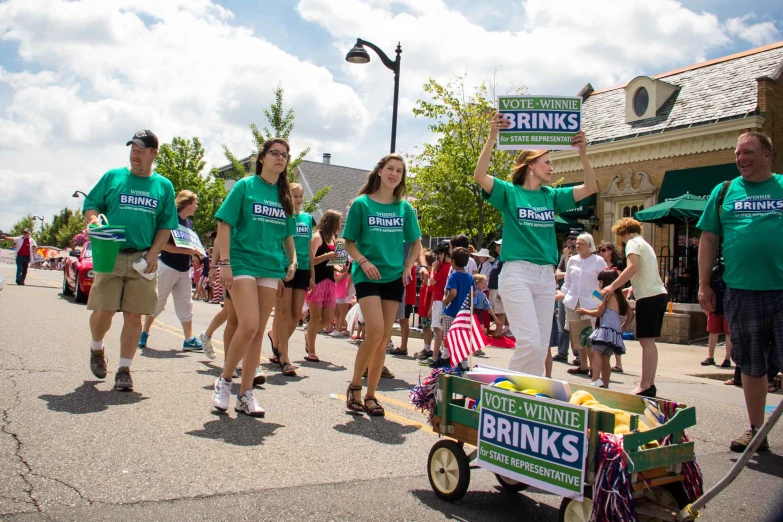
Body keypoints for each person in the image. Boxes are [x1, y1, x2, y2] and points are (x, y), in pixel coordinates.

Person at [474, 113, 598, 376]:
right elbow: (480, 174)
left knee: (541, 348)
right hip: (517, 273)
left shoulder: (551, 196)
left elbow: (591, 187)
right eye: (547, 162)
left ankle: (529, 398)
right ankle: (507, 396)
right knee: (529, 342)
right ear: (531, 165)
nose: (552, 167)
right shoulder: (510, 192)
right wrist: (492, 136)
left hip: (545, 277)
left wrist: (583, 153)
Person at [697, 131, 783, 452]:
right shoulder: (724, 192)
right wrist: (704, 284)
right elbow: (708, 239)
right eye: (737, 153)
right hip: (741, 292)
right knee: (750, 364)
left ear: (767, 155)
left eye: (748, 152)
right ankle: (756, 430)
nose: (741, 158)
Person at [83, 130, 178, 391]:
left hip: (142, 257)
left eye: (140, 149)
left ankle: (124, 369)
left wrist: (153, 253)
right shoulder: (113, 177)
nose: (134, 154)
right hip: (111, 253)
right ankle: (97, 348)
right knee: (104, 310)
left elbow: (166, 225)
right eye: (132, 148)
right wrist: (93, 220)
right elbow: (91, 205)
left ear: (153, 153)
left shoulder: (163, 186)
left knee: (134, 316)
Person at [211, 138, 297, 417]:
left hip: (270, 267)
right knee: (247, 324)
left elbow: (287, 235)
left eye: (284, 155)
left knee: (259, 330)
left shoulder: (284, 195)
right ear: (262, 158)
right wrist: (224, 263)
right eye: (274, 153)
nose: (280, 158)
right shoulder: (245, 186)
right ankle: (224, 381)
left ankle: (246, 395)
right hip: (242, 262)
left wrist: (292, 260)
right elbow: (224, 225)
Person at [342, 153, 422, 416]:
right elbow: (349, 242)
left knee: (384, 338)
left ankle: (371, 395)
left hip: (393, 277)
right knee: (375, 331)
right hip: (367, 275)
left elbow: (416, 244)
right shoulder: (362, 205)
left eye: (399, 171)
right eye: (390, 168)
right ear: (379, 171)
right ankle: (354, 386)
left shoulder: (404, 208)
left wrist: (409, 265)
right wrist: (363, 261)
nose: (394, 174)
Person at [602, 217, 668, 397]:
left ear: (624, 233)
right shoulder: (645, 244)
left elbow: (632, 267)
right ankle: (649, 384)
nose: (621, 241)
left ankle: (645, 384)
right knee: (649, 342)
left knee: (646, 341)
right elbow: (645, 271)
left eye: (620, 237)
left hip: (649, 297)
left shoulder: (631, 243)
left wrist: (612, 286)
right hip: (659, 294)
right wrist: (632, 286)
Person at [139, 190, 203, 351]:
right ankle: (144, 333)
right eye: (195, 203)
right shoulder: (170, 220)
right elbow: (164, 246)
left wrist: (194, 255)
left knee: (186, 304)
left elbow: (187, 245)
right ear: (187, 204)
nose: (196, 206)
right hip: (167, 267)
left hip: (183, 270)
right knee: (158, 301)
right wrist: (187, 252)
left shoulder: (189, 223)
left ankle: (188, 339)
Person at [268, 183, 314, 376]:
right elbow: (276, 244)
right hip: (284, 267)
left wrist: (312, 274)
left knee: (297, 314)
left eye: (300, 196)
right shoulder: (282, 217)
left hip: (302, 268)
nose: (297, 200)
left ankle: (276, 340)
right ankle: (285, 358)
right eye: (294, 196)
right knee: (284, 312)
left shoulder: (307, 219)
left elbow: (310, 249)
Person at [577, 270, 634, 389]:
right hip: (615, 331)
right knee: (606, 356)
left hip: (605, 328)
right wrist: (624, 326)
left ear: (606, 282)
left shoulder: (605, 293)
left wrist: (584, 311)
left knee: (596, 352)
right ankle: (605, 384)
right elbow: (631, 314)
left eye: (600, 282)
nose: (599, 285)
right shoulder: (620, 296)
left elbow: (599, 312)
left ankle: (595, 381)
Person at [561, 233, 607, 376]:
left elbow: (603, 283)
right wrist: (562, 295)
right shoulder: (572, 260)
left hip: (590, 303)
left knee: (589, 336)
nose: (577, 245)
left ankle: (594, 368)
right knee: (576, 335)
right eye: (577, 243)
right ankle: (583, 365)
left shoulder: (598, 261)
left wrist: (599, 302)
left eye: (581, 243)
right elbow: (567, 281)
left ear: (589, 245)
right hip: (573, 301)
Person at [304, 209, 341, 362]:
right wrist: (327, 256)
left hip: (330, 281)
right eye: (338, 222)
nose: (340, 226)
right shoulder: (317, 237)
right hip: (317, 281)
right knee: (316, 317)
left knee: (327, 318)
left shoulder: (333, 238)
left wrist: (339, 266)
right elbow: (310, 260)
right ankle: (311, 350)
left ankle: (309, 335)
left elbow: (330, 262)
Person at [437, 247, 477, 369]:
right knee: (462, 338)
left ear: (453, 262)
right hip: (465, 313)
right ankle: (464, 363)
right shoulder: (470, 277)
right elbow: (474, 293)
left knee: (449, 336)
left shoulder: (454, 277)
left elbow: (453, 292)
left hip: (452, 311)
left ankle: (448, 359)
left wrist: (445, 300)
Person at [596, 240, 625, 372]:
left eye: (604, 250)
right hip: (601, 294)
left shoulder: (617, 265)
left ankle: (618, 363)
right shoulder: (600, 264)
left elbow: (619, 281)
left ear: (611, 251)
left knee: (612, 334)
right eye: (600, 250)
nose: (601, 253)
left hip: (613, 294)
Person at [553, 232, 579, 363]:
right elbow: (557, 274)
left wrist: (568, 259)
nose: (570, 241)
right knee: (562, 323)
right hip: (564, 292)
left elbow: (571, 274)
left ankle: (579, 355)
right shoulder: (564, 255)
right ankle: (562, 352)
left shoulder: (581, 257)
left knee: (575, 324)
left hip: (576, 294)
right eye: (568, 238)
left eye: (573, 238)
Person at [426, 244, 452, 366]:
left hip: (439, 299)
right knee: (439, 328)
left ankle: (435, 356)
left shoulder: (446, 267)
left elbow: (432, 281)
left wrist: (432, 269)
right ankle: (439, 354)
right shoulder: (446, 266)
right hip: (440, 298)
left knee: (437, 328)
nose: (438, 257)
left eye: (440, 254)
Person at [414, 251, 436, 359]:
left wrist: (431, 308)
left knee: (428, 327)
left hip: (428, 307)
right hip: (423, 306)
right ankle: (426, 347)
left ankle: (428, 349)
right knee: (425, 327)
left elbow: (432, 294)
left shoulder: (432, 275)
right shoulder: (426, 275)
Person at [487, 239, 507, 338]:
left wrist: (501, 290)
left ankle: (499, 331)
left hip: (499, 288)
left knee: (500, 311)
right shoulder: (498, 258)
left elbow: (504, 275)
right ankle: (497, 329)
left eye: (498, 245)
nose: (496, 247)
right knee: (495, 310)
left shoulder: (504, 259)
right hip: (493, 287)